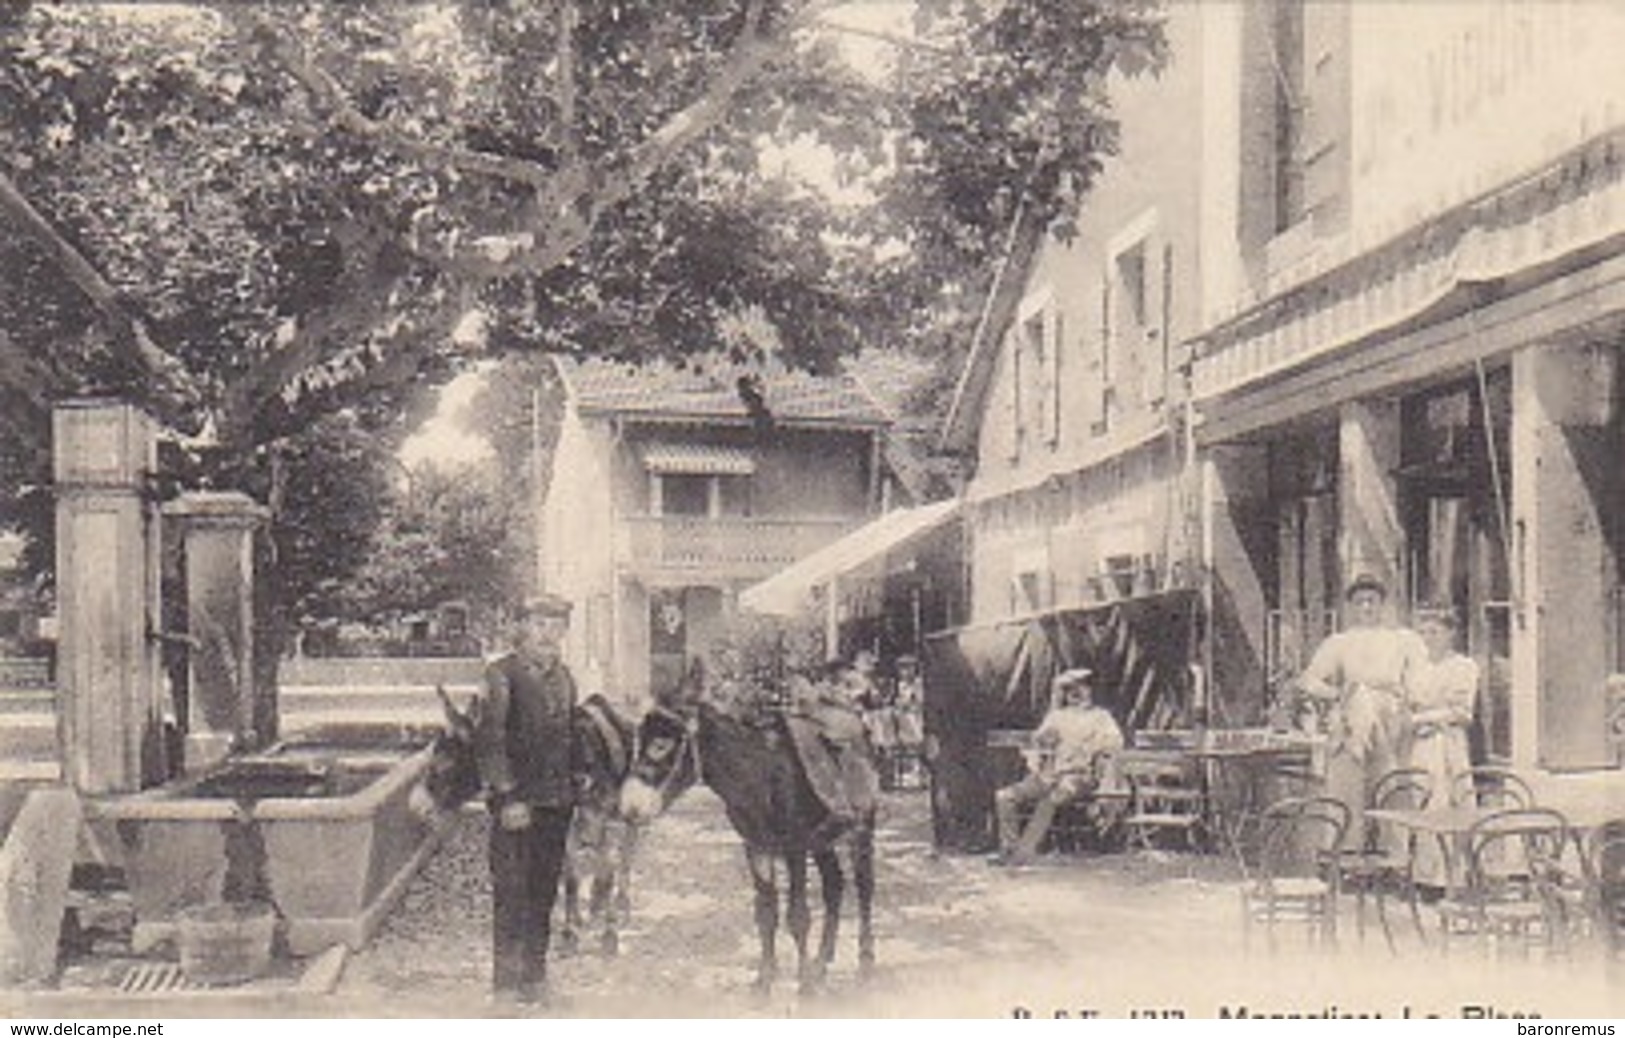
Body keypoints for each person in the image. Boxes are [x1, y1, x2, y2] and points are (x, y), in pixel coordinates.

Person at [472, 592, 579, 1006]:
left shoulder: (565, 677)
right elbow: (490, 741)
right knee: (511, 892)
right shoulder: (501, 674)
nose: (548, 633)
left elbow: (569, 737)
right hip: (515, 806)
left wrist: (581, 779)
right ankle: (504, 986)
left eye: (556, 625)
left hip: (556, 802)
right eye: (539, 624)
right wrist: (507, 795)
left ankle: (535, 977)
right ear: (522, 628)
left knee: (543, 891)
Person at [1298, 575, 1426, 845]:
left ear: (1382, 605)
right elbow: (1309, 680)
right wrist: (1337, 693)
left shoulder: (1401, 640)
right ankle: (1346, 857)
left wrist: (1409, 704)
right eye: (1360, 602)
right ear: (1351, 607)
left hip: (1390, 719)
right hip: (1353, 715)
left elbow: (1419, 682)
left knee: (1391, 784)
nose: (1366, 608)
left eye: (1372, 601)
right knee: (1348, 786)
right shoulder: (1339, 642)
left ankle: (1395, 856)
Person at [993, 668, 1125, 865]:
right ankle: (1009, 849)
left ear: (1090, 691)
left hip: (1080, 778)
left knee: (1050, 800)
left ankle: (1022, 855)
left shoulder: (1101, 717)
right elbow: (1038, 739)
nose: (1075, 693)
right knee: (1005, 797)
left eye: (1081, 688)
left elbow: (1116, 742)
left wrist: (1094, 747)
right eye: (1070, 689)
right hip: (1051, 776)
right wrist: (1042, 746)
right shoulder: (1057, 716)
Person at [1406, 605, 1478, 889]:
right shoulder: (1417, 668)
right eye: (1423, 632)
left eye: (1434, 632)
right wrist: (1412, 720)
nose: (1428, 638)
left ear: (1451, 633)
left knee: (1450, 802)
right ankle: (1425, 877)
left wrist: (1422, 717)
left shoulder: (1464, 667)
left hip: (1448, 744)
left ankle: (1453, 878)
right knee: (1421, 802)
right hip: (1420, 744)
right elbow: (1408, 701)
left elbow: (1463, 712)